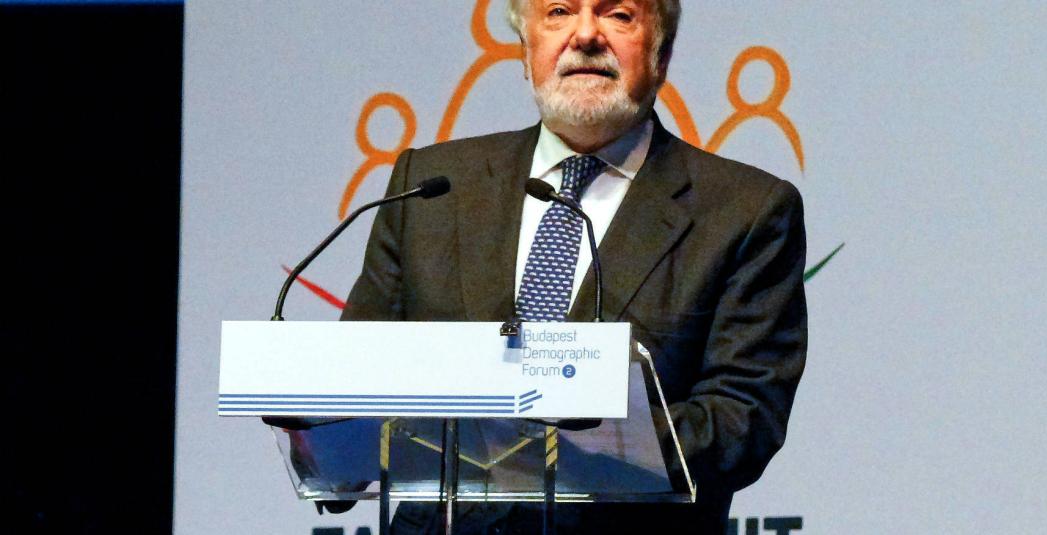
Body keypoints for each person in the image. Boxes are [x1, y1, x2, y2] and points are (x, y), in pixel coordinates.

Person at [340, 1, 807, 533]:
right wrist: (316, 424)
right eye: (559, 11)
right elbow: (354, 379)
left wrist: (581, 443)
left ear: (662, 55)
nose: (585, 35)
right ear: (525, 49)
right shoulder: (431, 186)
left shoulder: (745, 211)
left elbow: (743, 420)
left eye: (618, 15)